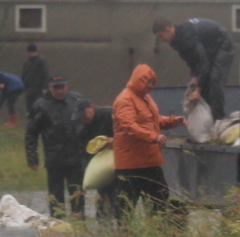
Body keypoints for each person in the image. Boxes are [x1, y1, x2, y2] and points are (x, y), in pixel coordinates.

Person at [110, 63, 184, 213]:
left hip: (150, 161)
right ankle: (124, 235)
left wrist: (172, 121)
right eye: (147, 82)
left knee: (160, 199)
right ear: (138, 81)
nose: (150, 86)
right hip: (130, 164)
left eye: (152, 82)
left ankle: (156, 231)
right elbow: (129, 126)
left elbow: (153, 120)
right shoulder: (125, 100)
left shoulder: (146, 98)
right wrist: (154, 137)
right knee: (126, 206)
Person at [24, 75, 93, 217]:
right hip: (54, 158)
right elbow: (31, 133)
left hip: (76, 157)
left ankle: (79, 223)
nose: (59, 91)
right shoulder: (40, 105)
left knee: (78, 194)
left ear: (67, 86)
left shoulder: (77, 100)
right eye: (56, 88)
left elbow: (89, 123)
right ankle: (57, 224)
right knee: (56, 196)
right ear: (50, 88)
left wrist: (90, 152)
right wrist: (32, 158)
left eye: (62, 87)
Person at [153, 17, 236, 119]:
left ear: (168, 29)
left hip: (223, 44)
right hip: (209, 48)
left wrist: (197, 90)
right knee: (204, 85)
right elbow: (192, 61)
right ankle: (209, 119)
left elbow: (203, 63)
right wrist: (195, 78)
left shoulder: (187, 36)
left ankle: (219, 119)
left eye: (161, 36)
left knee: (215, 79)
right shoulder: (176, 41)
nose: (162, 40)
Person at [20, 42, 50, 117]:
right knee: (29, 105)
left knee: (38, 105)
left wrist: (45, 87)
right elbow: (24, 75)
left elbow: (45, 74)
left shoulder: (41, 61)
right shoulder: (27, 62)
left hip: (38, 88)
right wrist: (23, 86)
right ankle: (31, 120)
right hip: (29, 88)